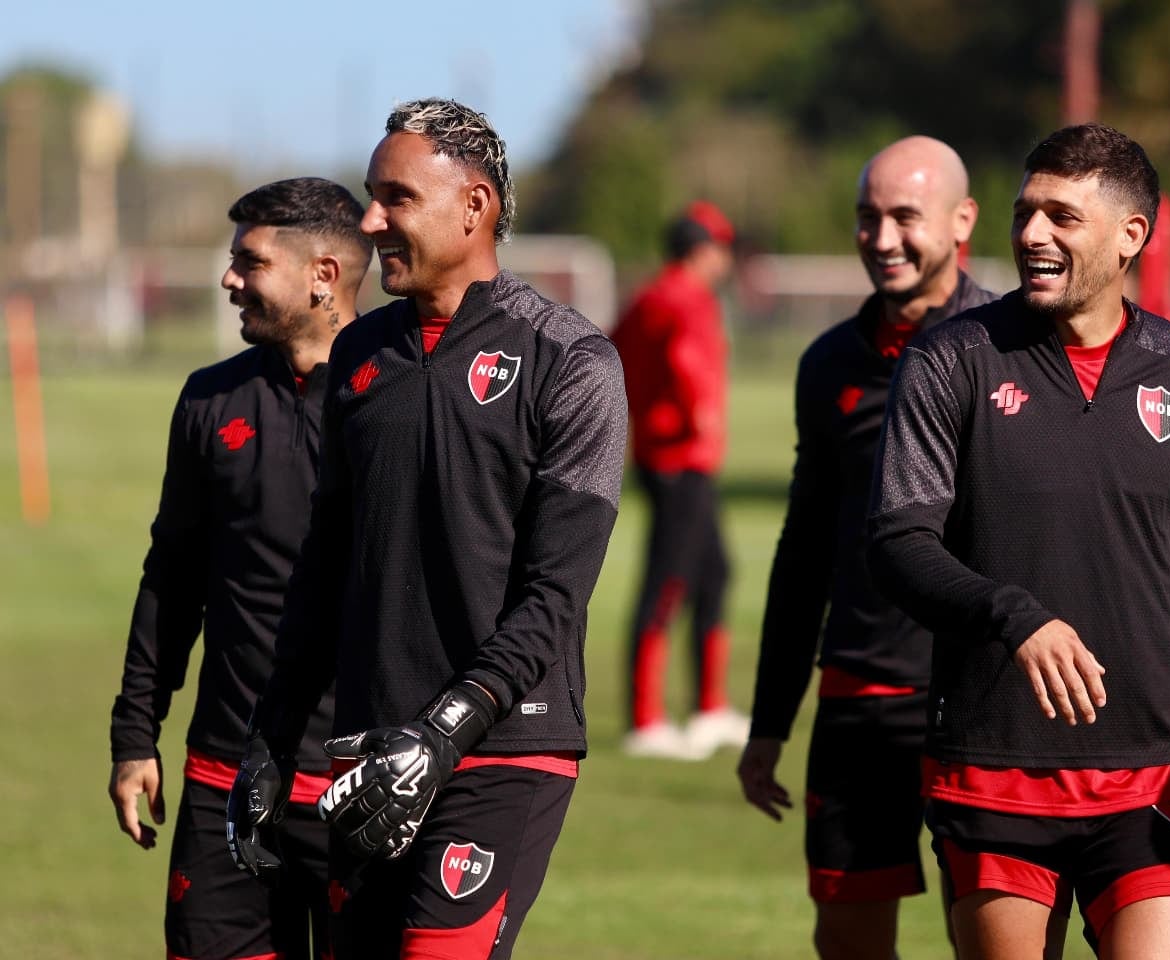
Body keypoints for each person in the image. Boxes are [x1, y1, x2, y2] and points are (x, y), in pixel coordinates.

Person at [227, 98, 627, 960]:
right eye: (371, 197)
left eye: (395, 199)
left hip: (503, 743)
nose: (370, 222)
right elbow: (323, 568)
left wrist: (445, 731)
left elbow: (555, 595)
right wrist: (267, 738)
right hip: (369, 745)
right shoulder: (362, 356)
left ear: (474, 207)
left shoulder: (573, 360)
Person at [867, 123, 1170, 959]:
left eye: (1062, 217)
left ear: (1130, 234)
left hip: (1149, 771)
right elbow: (899, 540)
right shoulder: (951, 360)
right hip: (995, 760)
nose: (1032, 233)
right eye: (1027, 212)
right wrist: (1014, 615)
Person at [735, 135, 993, 960]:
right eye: (867, 217)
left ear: (962, 222)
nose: (883, 239)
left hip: (980, 698)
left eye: (904, 217)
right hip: (858, 697)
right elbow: (805, 545)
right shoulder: (830, 363)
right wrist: (770, 720)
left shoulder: (1011, 346)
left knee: (996, 938)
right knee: (846, 940)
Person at [107, 177, 371, 959]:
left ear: (322, 274)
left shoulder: (399, 395)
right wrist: (134, 735)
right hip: (225, 777)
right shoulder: (208, 400)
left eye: (249, 262)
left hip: (363, 786)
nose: (229, 279)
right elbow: (172, 578)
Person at [610, 200, 748, 759]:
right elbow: (689, 363)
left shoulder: (647, 295)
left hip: (662, 458)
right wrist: (703, 420)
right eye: (720, 246)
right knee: (667, 583)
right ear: (702, 250)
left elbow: (611, 351)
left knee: (714, 573)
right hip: (681, 460)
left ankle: (709, 710)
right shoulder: (687, 298)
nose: (726, 258)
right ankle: (646, 720)